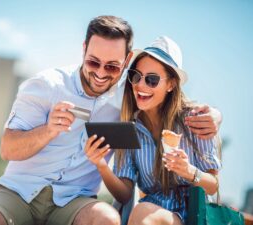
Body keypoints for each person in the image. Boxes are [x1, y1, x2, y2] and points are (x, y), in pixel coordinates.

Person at [0, 16, 220, 225]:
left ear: (126, 61)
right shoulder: (46, 85)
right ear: (83, 49)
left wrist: (215, 117)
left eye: (112, 67)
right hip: (20, 192)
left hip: (74, 202)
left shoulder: (130, 97)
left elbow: (173, 106)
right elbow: (7, 149)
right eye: (93, 62)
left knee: (108, 219)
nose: (100, 73)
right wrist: (48, 130)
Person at [84, 36, 221, 225]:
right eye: (136, 76)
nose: (140, 85)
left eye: (152, 80)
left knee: (142, 213)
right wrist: (101, 165)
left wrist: (189, 171)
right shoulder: (129, 128)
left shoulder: (196, 120)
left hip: (191, 217)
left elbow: (213, 186)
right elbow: (124, 194)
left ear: (171, 84)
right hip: (147, 214)